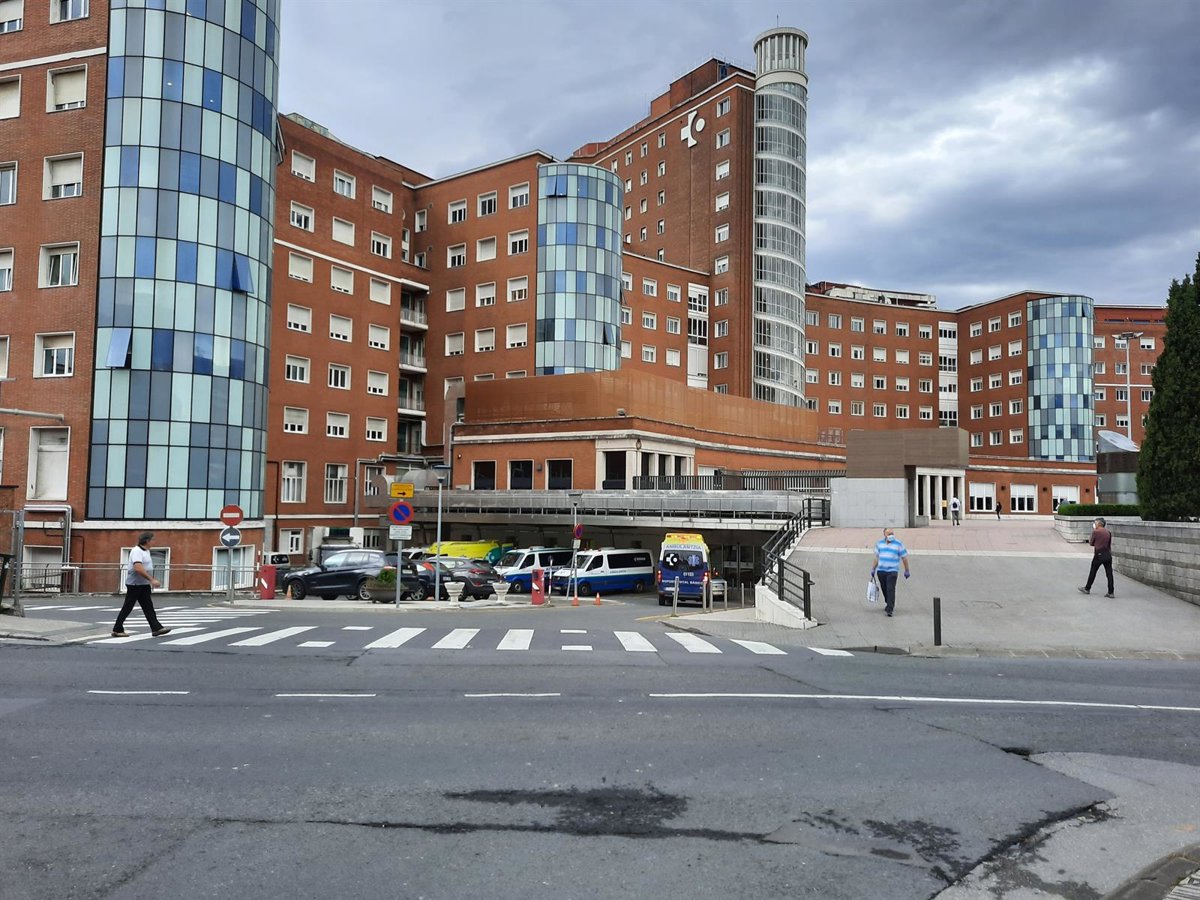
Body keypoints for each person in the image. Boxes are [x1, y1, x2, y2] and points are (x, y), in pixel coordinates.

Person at [112, 532, 171, 637]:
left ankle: (156, 628)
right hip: (135, 584)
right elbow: (138, 568)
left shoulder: (146, 551)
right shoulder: (137, 551)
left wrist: (148, 581)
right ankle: (117, 629)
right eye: (153, 540)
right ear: (147, 541)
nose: (154, 542)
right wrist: (152, 580)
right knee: (128, 607)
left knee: (148, 607)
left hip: (143, 584)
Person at [870, 527, 911, 617]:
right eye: (889, 534)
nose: (891, 535)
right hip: (881, 570)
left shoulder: (898, 544)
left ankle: (890, 608)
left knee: (890, 589)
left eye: (892, 534)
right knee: (884, 588)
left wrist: (907, 570)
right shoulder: (879, 544)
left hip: (892, 571)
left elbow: (904, 557)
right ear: (884, 534)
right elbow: (877, 558)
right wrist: (873, 568)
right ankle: (888, 601)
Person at [1078, 517, 1115, 598]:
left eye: (1095, 523)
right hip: (1108, 554)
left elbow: (1091, 543)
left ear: (1099, 524)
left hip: (1099, 554)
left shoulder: (1096, 532)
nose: (1094, 524)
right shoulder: (1108, 532)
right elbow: (1109, 544)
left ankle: (1087, 588)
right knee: (1109, 574)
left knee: (1093, 571)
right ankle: (1111, 592)